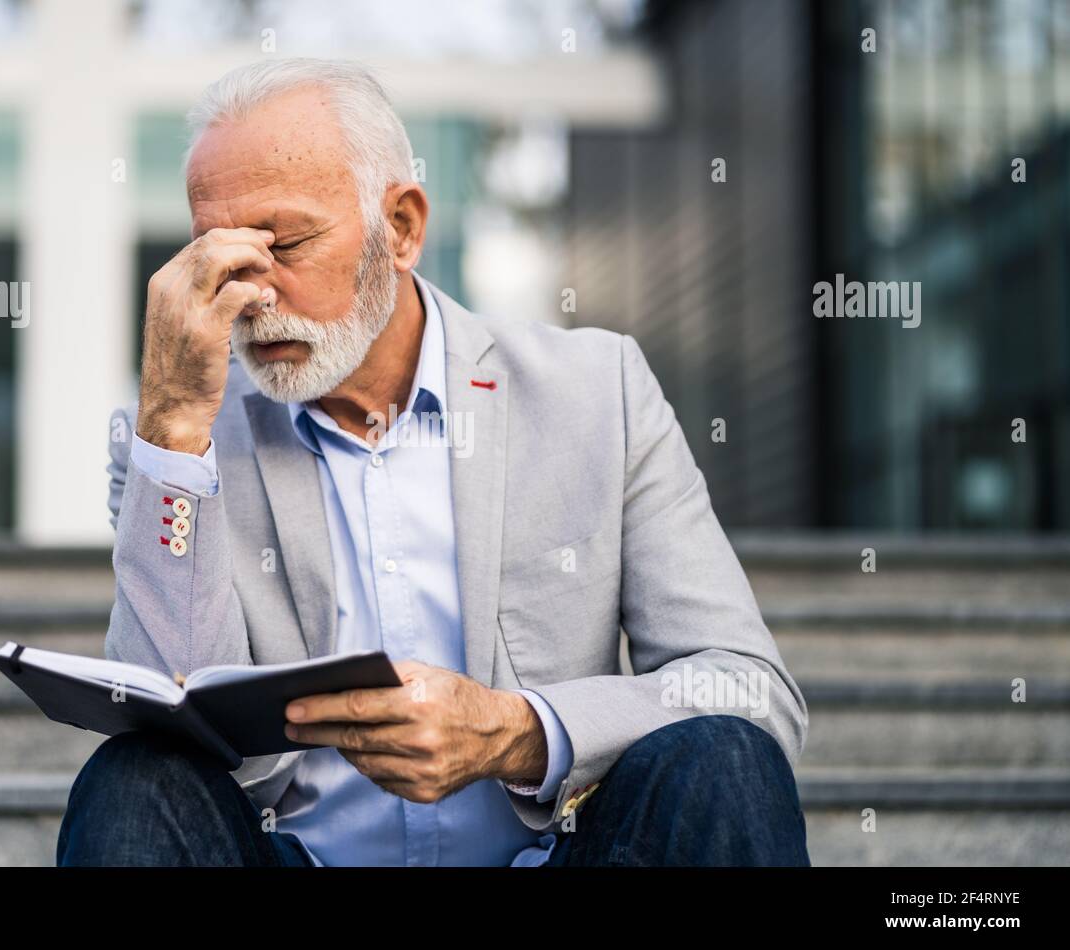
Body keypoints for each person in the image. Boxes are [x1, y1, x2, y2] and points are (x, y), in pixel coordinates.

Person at [56, 57, 810, 867]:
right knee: (133, 780)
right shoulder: (180, 435)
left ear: (403, 227)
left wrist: (520, 733)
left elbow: (745, 689)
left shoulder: (596, 392)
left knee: (724, 760)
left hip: (551, 859)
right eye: (222, 257)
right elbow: (169, 716)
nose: (253, 295)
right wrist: (172, 432)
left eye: (286, 244)